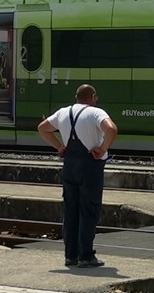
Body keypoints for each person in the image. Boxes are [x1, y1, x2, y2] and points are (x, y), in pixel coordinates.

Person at [37, 84, 118, 269]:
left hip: (70, 166)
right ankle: (86, 256)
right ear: (93, 97)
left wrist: (59, 146)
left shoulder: (63, 112)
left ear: (76, 97)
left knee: (71, 210)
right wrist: (102, 148)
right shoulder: (96, 113)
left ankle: (70, 255)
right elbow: (112, 129)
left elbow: (42, 128)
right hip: (90, 166)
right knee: (89, 210)